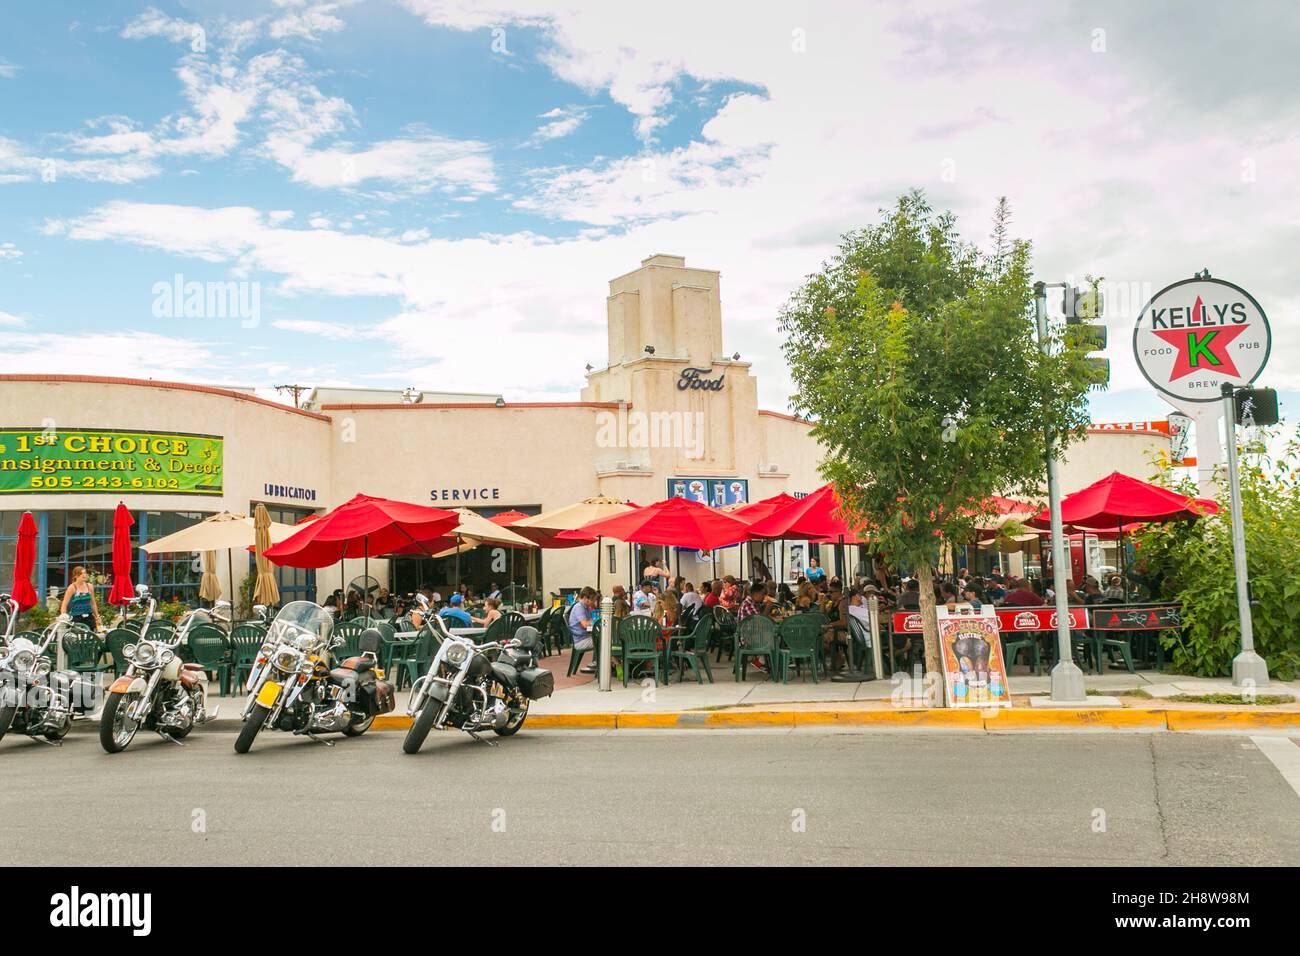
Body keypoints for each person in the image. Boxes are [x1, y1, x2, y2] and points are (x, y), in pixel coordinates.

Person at [60, 566, 103, 630]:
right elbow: (64, 604)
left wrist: (97, 617)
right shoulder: (72, 587)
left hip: (89, 617)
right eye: (81, 574)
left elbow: (93, 603)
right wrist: (63, 616)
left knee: (91, 636)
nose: (84, 575)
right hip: (76, 617)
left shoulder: (89, 586)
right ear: (76, 576)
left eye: (85, 573)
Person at [568, 586, 597, 652]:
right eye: (593, 600)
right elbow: (585, 625)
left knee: (602, 639)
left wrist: (592, 620)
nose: (594, 602)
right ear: (585, 598)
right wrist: (595, 620)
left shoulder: (585, 607)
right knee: (602, 642)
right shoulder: (579, 607)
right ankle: (597, 661)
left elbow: (589, 621)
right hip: (580, 641)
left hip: (585, 637)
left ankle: (597, 661)